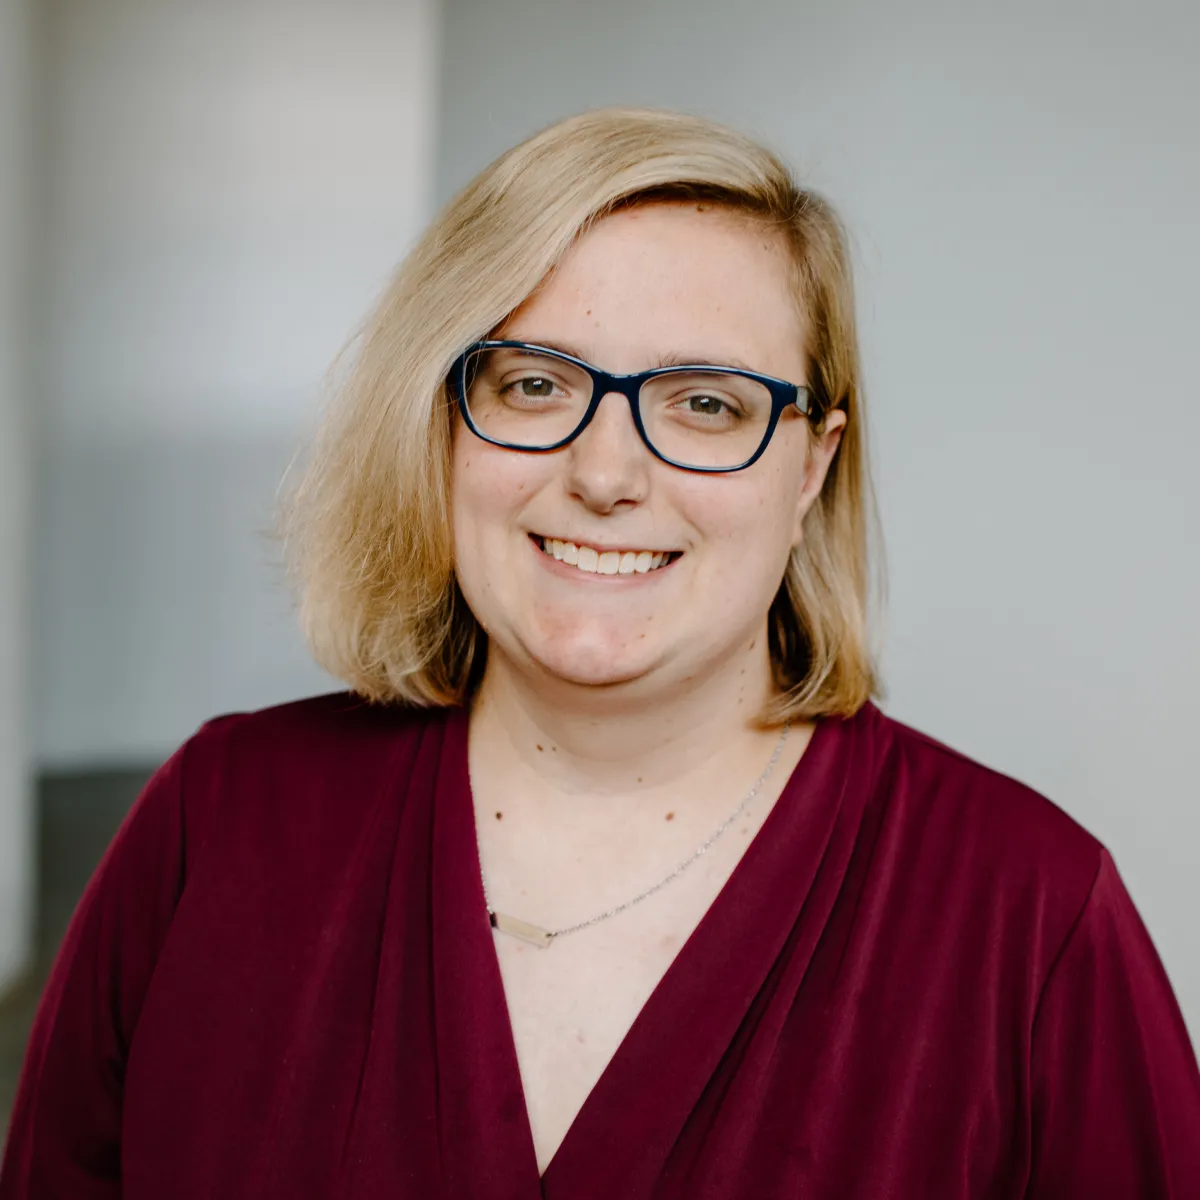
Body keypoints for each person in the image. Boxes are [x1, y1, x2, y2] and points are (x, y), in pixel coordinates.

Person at [2, 108, 1198, 1199]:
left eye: (706, 404)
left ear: (812, 469)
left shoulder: (1032, 919)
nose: (608, 475)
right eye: (533, 383)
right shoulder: (221, 819)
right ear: (444, 426)